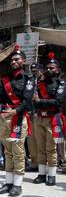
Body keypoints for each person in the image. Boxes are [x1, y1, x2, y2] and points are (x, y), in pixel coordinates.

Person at [0, 45, 35, 197]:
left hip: (18, 117)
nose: (14, 61)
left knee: (18, 152)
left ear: (23, 61)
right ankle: (8, 182)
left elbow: (27, 102)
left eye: (17, 59)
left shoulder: (28, 79)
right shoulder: (5, 79)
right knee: (7, 151)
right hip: (5, 119)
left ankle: (17, 184)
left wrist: (14, 111)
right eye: (12, 60)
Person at [32, 53, 65, 186]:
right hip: (40, 118)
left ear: (57, 69)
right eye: (47, 68)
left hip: (53, 118)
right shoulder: (39, 84)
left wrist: (40, 101)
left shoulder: (61, 84)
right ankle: (41, 174)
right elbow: (33, 101)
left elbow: (58, 102)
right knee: (40, 147)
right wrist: (38, 102)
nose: (49, 70)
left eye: (52, 68)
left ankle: (51, 175)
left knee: (51, 148)